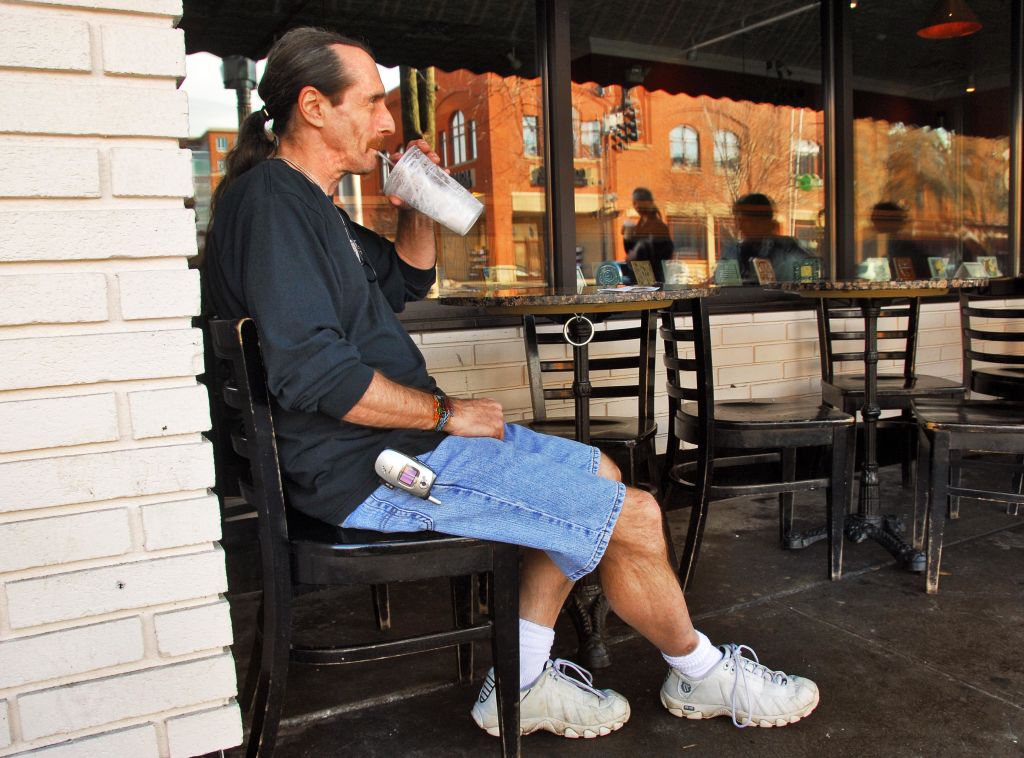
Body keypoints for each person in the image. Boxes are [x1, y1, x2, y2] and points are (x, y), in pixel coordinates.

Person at [204, 27, 819, 741]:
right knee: (636, 514)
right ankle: (703, 673)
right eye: (372, 102)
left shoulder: (314, 211)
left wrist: (416, 201)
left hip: (392, 448)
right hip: (373, 468)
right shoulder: (273, 207)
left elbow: (406, 276)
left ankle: (520, 683)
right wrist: (445, 413)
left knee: (598, 469)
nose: (386, 122)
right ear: (313, 106)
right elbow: (313, 374)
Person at [721, 193, 809, 283]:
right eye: (737, 221)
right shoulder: (733, 252)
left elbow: (807, 285)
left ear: (762, 222)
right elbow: (721, 284)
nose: (739, 227)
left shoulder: (787, 250)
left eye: (743, 220)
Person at [865, 201, 929, 279]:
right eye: (873, 219)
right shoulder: (871, 244)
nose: (873, 222)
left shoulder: (908, 247)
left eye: (877, 218)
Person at [622, 187, 675, 279]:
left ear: (650, 202)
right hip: (641, 273)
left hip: (651, 274)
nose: (637, 205)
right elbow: (630, 251)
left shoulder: (658, 226)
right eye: (634, 202)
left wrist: (637, 252)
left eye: (640, 201)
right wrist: (627, 237)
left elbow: (665, 253)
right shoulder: (639, 225)